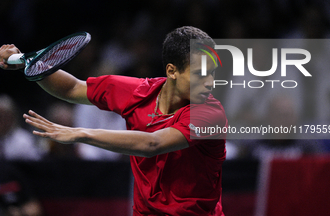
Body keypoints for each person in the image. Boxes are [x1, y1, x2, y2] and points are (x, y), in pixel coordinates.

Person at [0, 26, 227, 215]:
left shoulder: (209, 113)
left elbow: (152, 144)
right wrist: (28, 62)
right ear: (172, 70)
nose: (210, 82)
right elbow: (71, 88)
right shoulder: (137, 92)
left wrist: (82, 134)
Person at [0, 94, 43, 161]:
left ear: (13, 117)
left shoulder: (24, 140)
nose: (3, 121)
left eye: (6, 117)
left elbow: (35, 165)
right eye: (0, 117)